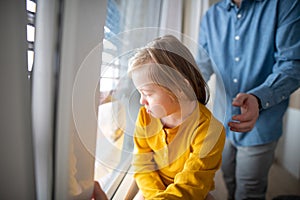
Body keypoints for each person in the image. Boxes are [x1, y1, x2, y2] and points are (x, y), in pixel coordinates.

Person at [197, 0, 300, 199]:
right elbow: (201, 67)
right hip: (222, 121)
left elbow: (292, 66)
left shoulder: (286, 5)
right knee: (229, 181)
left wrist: (258, 98)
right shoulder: (211, 16)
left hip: (261, 122)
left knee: (250, 190)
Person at [128, 35, 225, 199]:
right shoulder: (145, 116)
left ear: (180, 87)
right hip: (154, 193)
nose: (141, 101)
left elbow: (191, 186)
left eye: (148, 93)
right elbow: (142, 164)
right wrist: (156, 195)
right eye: (140, 93)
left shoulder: (209, 131)